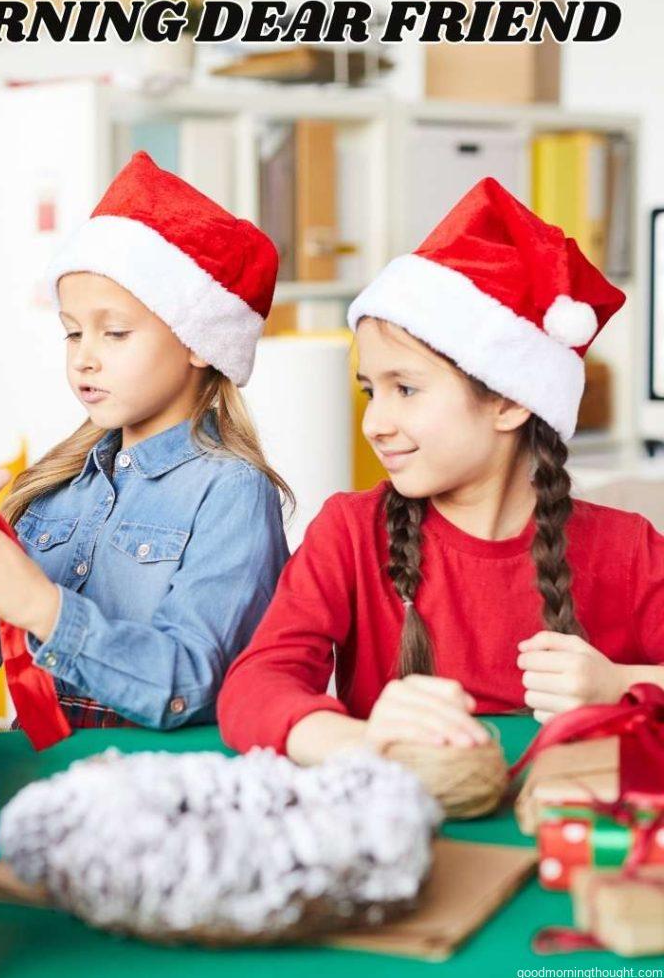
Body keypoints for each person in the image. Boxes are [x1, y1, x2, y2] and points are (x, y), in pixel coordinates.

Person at [219, 176, 664, 761]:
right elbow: (253, 690)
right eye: (370, 391)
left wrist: (621, 685)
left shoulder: (626, 549)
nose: (374, 422)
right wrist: (366, 740)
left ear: (508, 400)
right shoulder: (351, 534)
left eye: (405, 388)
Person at [0, 152, 290, 729]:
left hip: (156, 790)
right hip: (49, 775)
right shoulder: (58, 485)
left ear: (198, 342)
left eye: (114, 332)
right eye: (72, 332)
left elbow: (188, 683)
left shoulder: (232, 492)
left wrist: (41, 606)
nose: (85, 357)